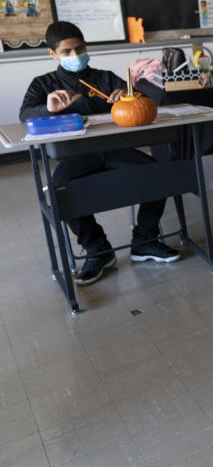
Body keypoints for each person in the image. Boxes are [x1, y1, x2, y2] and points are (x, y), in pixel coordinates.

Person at [19, 22, 181, 285]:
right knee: (60, 191)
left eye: (79, 48)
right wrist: (47, 109)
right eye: (67, 51)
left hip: (116, 150)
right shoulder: (43, 84)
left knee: (157, 175)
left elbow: (142, 104)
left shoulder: (106, 78)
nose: (75, 55)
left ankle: (145, 240)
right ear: (53, 54)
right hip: (75, 156)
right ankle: (98, 250)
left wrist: (130, 97)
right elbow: (25, 116)